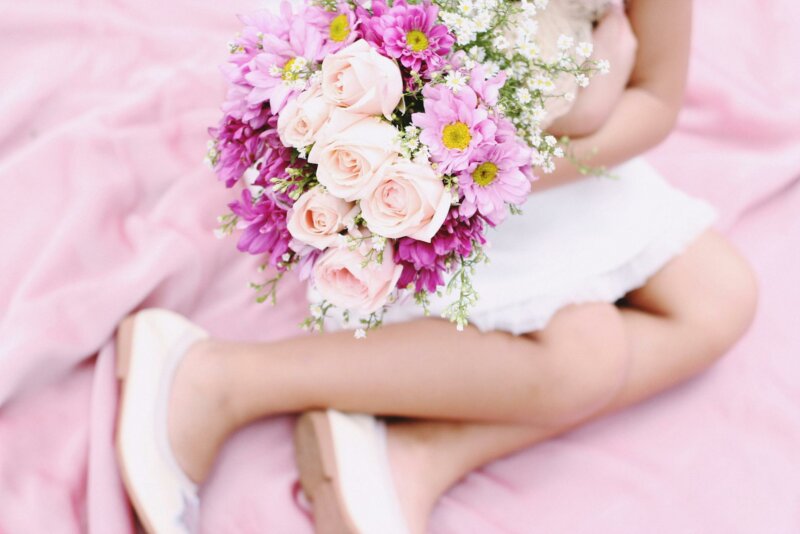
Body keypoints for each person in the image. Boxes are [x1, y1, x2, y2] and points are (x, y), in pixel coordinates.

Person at [114, 1, 758, 532]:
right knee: (586, 355)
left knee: (721, 299)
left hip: (543, 165)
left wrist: (508, 169)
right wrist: (426, 172)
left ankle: (419, 452)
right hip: (414, 156)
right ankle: (225, 377)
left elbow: (655, 100)